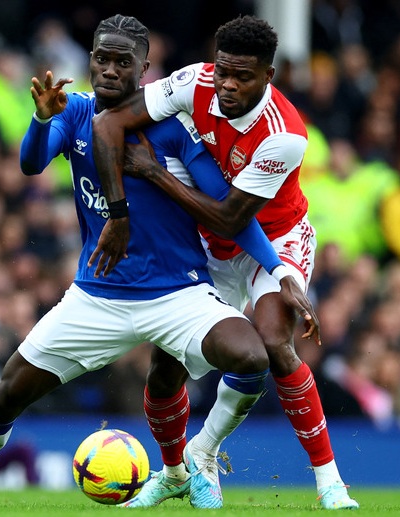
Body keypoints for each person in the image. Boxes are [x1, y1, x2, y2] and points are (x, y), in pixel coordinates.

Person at [0, 14, 318, 508]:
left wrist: (278, 269)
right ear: (90, 61)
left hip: (176, 292)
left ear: (144, 71)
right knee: (4, 395)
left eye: (124, 62)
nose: (111, 70)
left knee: (251, 357)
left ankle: (193, 461)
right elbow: (32, 163)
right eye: (102, 59)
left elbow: (231, 212)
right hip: (97, 295)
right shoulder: (73, 112)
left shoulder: (174, 129)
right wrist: (40, 119)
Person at [92, 14, 359, 510]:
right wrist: (118, 210)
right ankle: (176, 471)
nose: (228, 85)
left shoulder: (286, 134)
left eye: (243, 76)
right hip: (206, 245)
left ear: (268, 77)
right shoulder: (192, 82)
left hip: (273, 241)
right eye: (223, 71)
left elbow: (233, 217)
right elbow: (111, 120)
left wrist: (155, 172)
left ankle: (327, 482)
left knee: (275, 342)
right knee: (167, 366)